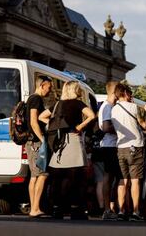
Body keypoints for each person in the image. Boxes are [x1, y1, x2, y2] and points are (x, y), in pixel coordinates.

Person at [39, 81, 95, 219]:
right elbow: (92, 115)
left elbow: (41, 116)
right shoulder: (78, 103)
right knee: (77, 177)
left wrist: (55, 125)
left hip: (60, 143)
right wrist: (80, 126)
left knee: (58, 177)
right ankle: (77, 209)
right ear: (76, 90)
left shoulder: (58, 104)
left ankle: (57, 208)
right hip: (73, 140)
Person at [111, 83, 146, 221]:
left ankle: (121, 211)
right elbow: (144, 124)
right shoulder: (135, 107)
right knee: (135, 181)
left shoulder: (113, 110)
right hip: (136, 147)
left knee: (123, 180)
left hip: (121, 147)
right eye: (130, 93)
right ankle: (135, 211)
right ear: (126, 93)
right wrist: (144, 111)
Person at [25, 75, 53, 217]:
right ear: (42, 85)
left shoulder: (31, 98)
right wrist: (42, 139)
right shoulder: (36, 99)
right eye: (49, 86)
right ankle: (35, 208)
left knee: (34, 176)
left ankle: (34, 207)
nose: (50, 90)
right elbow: (34, 121)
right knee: (42, 174)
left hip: (31, 142)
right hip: (35, 141)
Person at [98, 81, 125, 220]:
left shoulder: (111, 106)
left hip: (112, 145)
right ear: (113, 91)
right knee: (109, 177)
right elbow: (106, 126)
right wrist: (121, 131)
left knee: (114, 178)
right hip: (109, 146)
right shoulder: (107, 107)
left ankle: (111, 208)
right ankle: (107, 209)